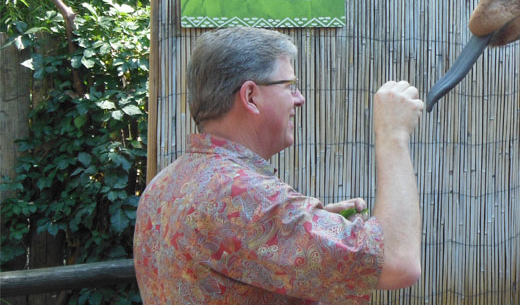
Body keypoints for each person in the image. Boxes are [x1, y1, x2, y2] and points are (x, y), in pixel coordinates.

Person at [134, 27, 423, 303]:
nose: (300, 98)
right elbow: (397, 261)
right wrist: (393, 134)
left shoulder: (161, 187)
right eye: (290, 86)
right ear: (250, 96)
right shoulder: (242, 196)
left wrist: (307, 231)